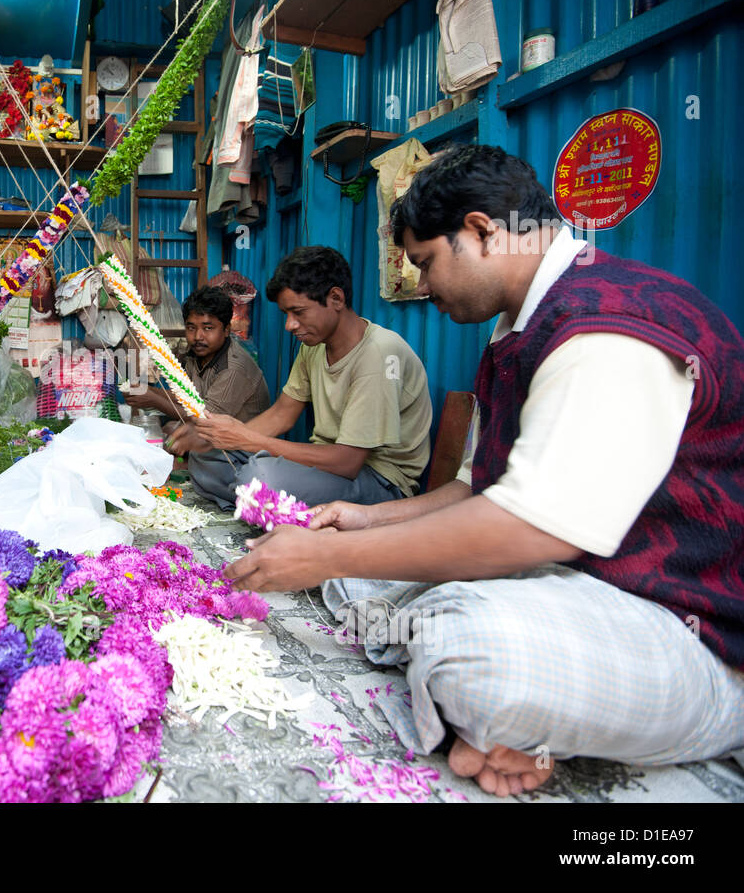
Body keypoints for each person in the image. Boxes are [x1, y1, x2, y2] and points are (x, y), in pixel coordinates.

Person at [225, 144, 744, 797]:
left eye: (425, 263)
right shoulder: (519, 327)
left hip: (689, 626)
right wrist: (363, 520)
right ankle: (519, 725)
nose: (419, 286)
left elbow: (530, 528)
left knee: (463, 647)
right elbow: (476, 489)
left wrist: (330, 557)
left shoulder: (606, 324)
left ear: (479, 230)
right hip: (580, 585)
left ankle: (708, 716)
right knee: (368, 578)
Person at [172, 246, 431, 511]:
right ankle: (260, 501)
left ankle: (255, 498)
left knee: (259, 477)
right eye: (286, 314)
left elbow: (348, 462)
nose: (290, 325)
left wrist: (245, 439)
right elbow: (282, 414)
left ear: (336, 299)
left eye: (299, 312)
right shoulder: (313, 347)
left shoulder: (380, 352)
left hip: (378, 481)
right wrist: (215, 436)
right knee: (207, 457)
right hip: (325, 468)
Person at [126, 285, 269, 486]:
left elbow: (205, 421)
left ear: (226, 330)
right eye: (191, 327)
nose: (198, 336)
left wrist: (153, 399)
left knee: (178, 441)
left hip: (241, 452)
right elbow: (190, 401)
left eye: (208, 328)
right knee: (168, 429)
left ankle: (188, 471)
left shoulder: (233, 368)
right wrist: (149, 391)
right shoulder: (195, 357)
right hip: (212, 438)